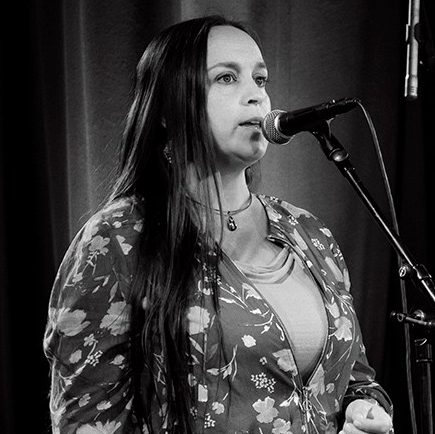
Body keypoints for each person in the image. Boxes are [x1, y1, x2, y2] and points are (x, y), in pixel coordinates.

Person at [43, 16, 394, 434]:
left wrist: (363, 409)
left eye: (260, 80)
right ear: (168, 107)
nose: (256, 97)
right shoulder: (117, 240)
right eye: (227, 78)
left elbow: (357, 379)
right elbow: (86, 421)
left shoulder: (309, 233)